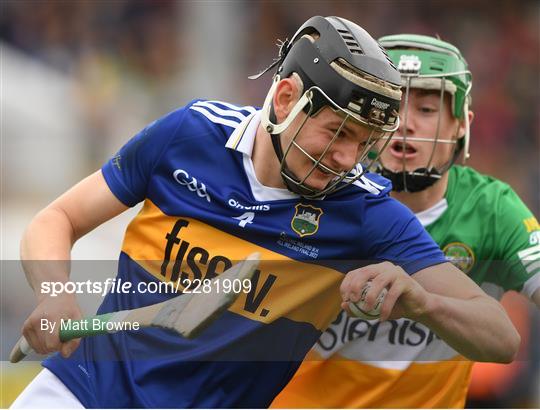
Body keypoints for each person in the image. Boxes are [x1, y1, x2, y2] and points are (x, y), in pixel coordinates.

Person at [11, 19, 519, 408]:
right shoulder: (188, 135)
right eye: (337, 132)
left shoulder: (366, 212)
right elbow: (57, 220)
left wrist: (424, 303)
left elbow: (499, 336)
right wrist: (53, 295)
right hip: (84, 389)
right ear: (285, 97)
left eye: (364, 143)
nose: (347, 158)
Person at [271, 33, 540, 409]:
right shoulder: (318, 187)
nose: (405, 124)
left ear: (462, 124)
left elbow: (506, 343)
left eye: (427, 110)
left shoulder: (492, 209)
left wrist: (426, 304)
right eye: (393, 108)